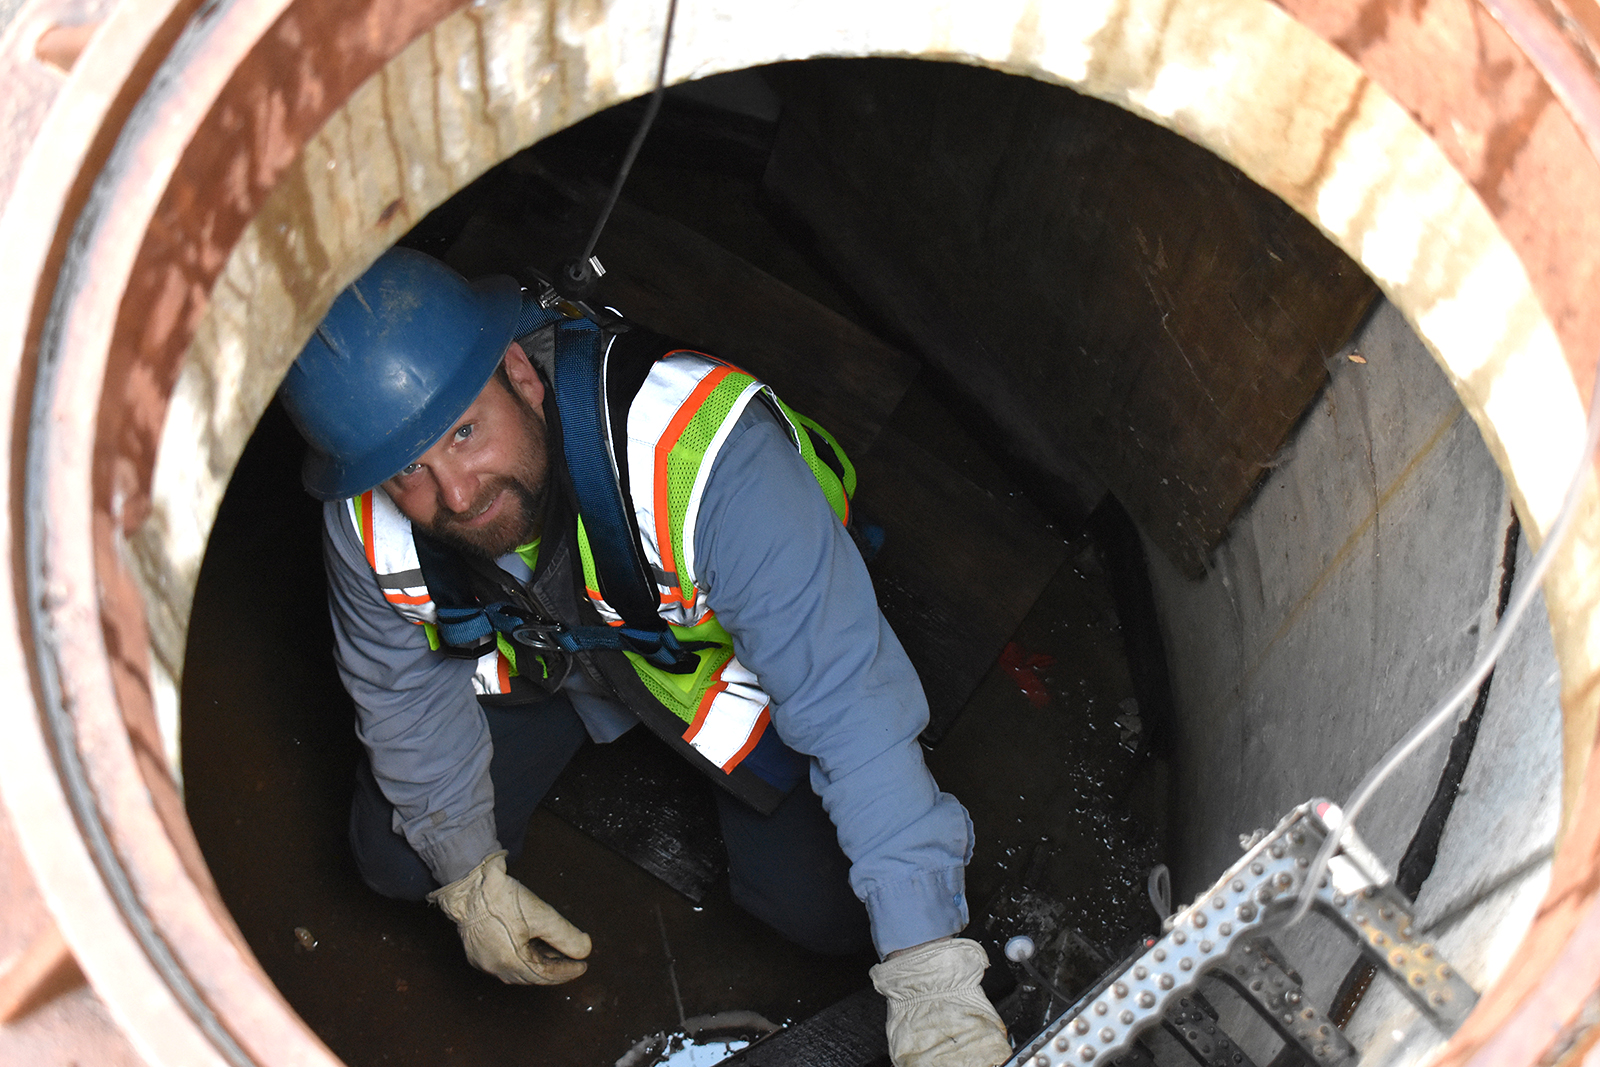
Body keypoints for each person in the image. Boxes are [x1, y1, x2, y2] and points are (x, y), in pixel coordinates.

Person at [280, 247, 1012, 1067]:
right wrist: (469, 880)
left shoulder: (704, 461)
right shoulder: (362, 509)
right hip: (546, 660)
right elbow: (397, 695)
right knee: (396, 851)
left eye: (465, 432)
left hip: (700, 663)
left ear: (520, 374)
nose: (457, 493)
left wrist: (928, 971)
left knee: (832, 909)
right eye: (411, 467)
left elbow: (849, 706)